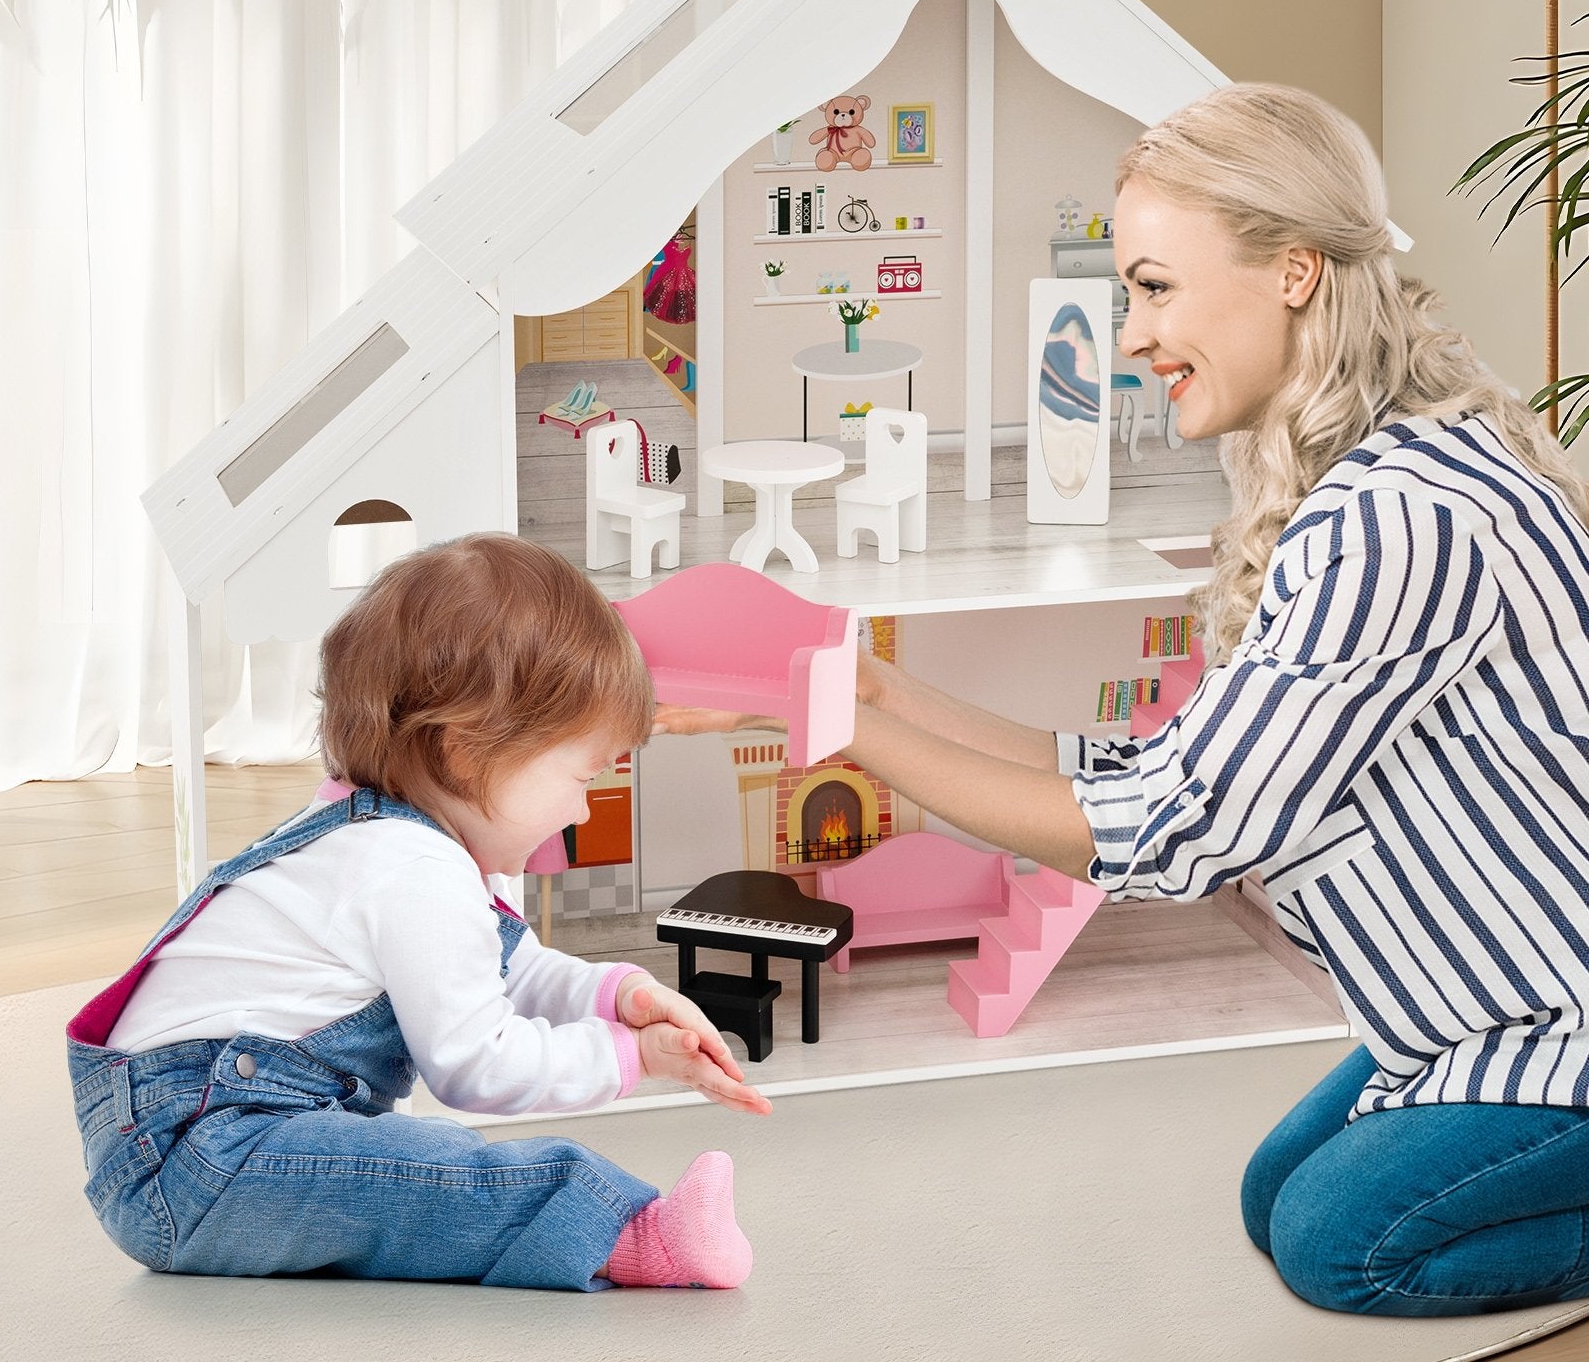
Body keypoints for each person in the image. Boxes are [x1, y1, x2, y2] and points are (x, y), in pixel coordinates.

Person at [657, 83, 1589, 1317]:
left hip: (1553, 1019)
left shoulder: (1394, 520)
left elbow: (1173, 833)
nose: (1133, 333)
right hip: (1469, 1002)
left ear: (1294, 272)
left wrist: (832, 723)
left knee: (1337, 1242)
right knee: (1274, 1193)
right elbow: (1147, 766)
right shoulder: (1374, 482)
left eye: (1155, 286)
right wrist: (882, 689)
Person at [66, 534, 770, 1292]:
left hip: (204, 1132)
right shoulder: (409, 869)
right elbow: (479, 1065)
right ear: (468, 753)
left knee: (411, 1164)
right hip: (200, 1157)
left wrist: (615, 996)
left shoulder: (400, 841)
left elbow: (512, 966)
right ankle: (637, 1234)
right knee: (440, 1169)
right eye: (581, 774)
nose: (582, 805)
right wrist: (632, 1057)